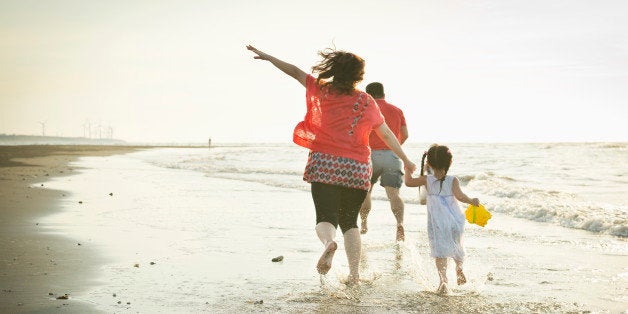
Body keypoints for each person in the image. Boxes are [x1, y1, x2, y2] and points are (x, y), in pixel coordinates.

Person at [246, 45, 416, 285]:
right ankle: (354, 275)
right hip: (356, 169)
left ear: (334, 70)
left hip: (324, 163)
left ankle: (328, 243)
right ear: (358, 76)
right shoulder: (366, 101)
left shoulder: (322, 90)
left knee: (325, 217)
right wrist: (406, 160)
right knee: (350, 222)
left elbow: (295, 71)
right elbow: (387, 134)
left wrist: (268, 57)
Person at [404, 144, 479, 294]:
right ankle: (459, 269)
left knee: (440, 250)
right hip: (455, 220)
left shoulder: (427, 180)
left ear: (429, 163)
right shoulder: (453, 180)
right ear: (450, 162)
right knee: (457, 244)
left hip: (438, 222)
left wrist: (407, 168)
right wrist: (472, 200)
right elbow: (460, 196)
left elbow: (408, 182)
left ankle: (443, 279)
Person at [358, 82, 408, 242]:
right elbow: (405, 134)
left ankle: (364, 223)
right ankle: (399, 224)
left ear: (368, 95)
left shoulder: (364, 109)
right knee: (394, 194)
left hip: (369, 156)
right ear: (384, 93)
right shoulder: (397, 110)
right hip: (391, 155)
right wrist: (395, 148)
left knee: (366, 192)